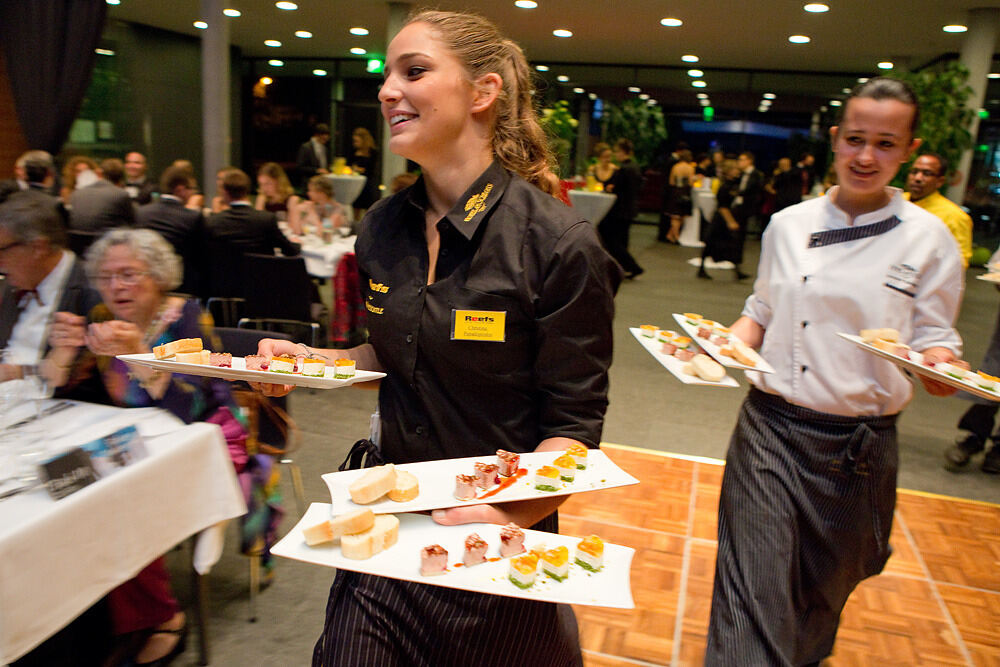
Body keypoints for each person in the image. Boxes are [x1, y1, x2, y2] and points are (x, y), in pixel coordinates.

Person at [254, 9, 620, 666]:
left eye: (414, 71)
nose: (388, 89)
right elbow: (392, 354)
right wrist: (322, 360)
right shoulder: (383, 227)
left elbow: (572, 431)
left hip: (493, 550)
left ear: (482, 93)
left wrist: (507, 517)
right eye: (386, 75)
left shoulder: (559, 247)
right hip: (386, 532)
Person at [705, 77, 966, 666]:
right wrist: (718, 345)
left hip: (859, 445)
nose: (866, 156)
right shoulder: (789, 224)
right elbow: (762, 310)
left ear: (906, 149)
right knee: (751, 593)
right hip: (770, 430)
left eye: (885, 143)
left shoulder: (930, 239)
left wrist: (944, 368)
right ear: (834, 140)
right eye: (854, 139)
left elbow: (936, 340)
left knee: (821, 597)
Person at [47, 228, 283, 665]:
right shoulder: (101, 314)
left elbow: (189, 404)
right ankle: (95, 615)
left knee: (119, 497)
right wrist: (62, 353)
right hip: (137, 437)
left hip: (206, 437)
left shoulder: (185, 317)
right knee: (69, 486)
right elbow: (69, 389)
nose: (117, 286)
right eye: (107, 276)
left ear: (156, 276)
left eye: (129, 274)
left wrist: (138, 353)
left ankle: (161, 616)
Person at [0, 196, 101, 383]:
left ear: (38, 247)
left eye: (2, 250)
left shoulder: (94, 290)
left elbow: (84, 378)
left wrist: (17, 373)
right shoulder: (14, 281)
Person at [135, 165, 206, 295]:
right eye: (192, 189)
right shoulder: (192, 217)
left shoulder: (141, 213)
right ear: (180, 189)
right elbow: (201, 257)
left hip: (144, 284)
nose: (193, 193)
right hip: (181, 288)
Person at [206, 168, 300, 257]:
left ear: (225, 193)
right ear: (247, 191)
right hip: (261, 272)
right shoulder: (266, 219)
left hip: (226, 273)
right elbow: (290, 251)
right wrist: (297, 245)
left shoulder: (214, 221)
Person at [904, 153, 973, 268]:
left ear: (940, 181)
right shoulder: (896, 202)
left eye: (927, 173)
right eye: (914, 172)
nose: (918, 178)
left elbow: (959, 263)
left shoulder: (954, 216)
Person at [600, 138, 644, 278]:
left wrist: (610, 188)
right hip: (630, 207)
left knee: (613, 241)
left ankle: (631, 266)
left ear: (623, 152)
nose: (615, 154)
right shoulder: (635, 167)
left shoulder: (624, 169)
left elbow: (616, 188)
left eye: (617, 151)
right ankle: (623, 267)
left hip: (620, 209)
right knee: (623, 240)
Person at [696, 158, 743, 280]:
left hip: (724, 218)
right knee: (712, 243)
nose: (738, 171)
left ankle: (737, 271)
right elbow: (723, 207)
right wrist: (731, 221)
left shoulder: (732, 184)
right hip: (721, 220)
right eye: (735, 169)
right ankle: (702, 268)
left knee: (730, 244)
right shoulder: (725, 187)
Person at [68, 158, 135, 232]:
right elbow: (132, 222)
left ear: (99, 173)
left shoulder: (77, 193)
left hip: (78, 241)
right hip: (107, 241)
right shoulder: (121, 194)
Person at [663, 148, 695, 243]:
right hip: (685, 192)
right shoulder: (690, 168)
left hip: (675, 191)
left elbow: (671, 182)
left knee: (674, 215)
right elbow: (690, 182)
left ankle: (670, 235)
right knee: (681, 215)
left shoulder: (675, 167)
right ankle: (676, 236)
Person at [349, 127, 380, 218]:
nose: (355, 143)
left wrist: (359, 169)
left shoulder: (372, 152)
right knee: (356, 207)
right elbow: (349, 165)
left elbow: (371, 169)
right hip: (356, 183)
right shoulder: (353, 151)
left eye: (357, 141)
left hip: (367, 183)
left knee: (369, 208)